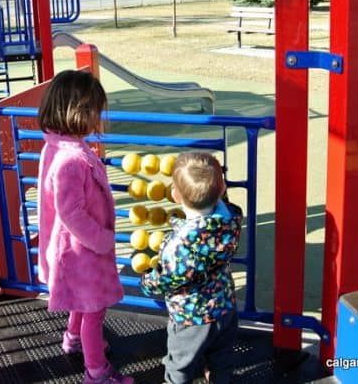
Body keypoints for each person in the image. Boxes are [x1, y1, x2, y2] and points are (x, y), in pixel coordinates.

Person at [36, 69, 132, 384]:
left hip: (74, 250)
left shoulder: (58, 146)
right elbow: (71, 212)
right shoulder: (70, 160)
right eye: (95, 111)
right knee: (95, 312)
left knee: (83, 301)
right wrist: (102, 240)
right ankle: (97, 372)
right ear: (78, 112)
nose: (98, 119)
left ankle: (73, 338)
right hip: (82, 252)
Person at [140, 151, 243, 384]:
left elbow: (168, 278)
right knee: (222, 360)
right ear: (222, 189)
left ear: (175, 194)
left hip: (191, 318)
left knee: (180, 365)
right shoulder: (231, 221)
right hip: (225, 308)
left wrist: (147, 282)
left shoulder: (179, 243)